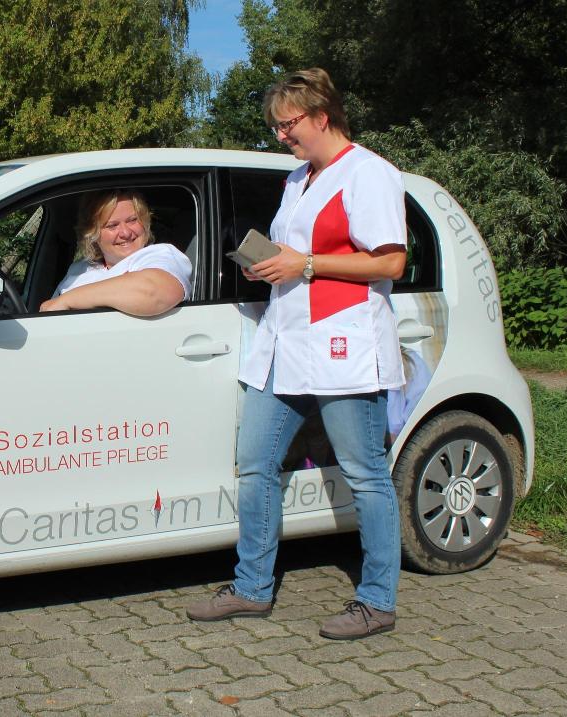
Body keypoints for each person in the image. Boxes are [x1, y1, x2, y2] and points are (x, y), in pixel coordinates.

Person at [186, 68, 408, 640]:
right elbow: (297, 253)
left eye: (287, 124)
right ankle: (252, 588)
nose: (281, 135)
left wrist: (305, 264)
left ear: (321, 115)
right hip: (284, 342)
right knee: (256, 462)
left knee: (365, 476)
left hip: (342, 342)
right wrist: (273, 262)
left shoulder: (370, 174)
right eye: (276, 126)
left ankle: (378, 601)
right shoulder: (296, 179)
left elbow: (389, 263)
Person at [40, 190, 191, 316]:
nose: (125, 232)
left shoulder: (161, 255)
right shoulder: (79, 269)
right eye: (112, 226)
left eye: (132, 220)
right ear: (93, 233)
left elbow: (154, 293)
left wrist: (67, 300)